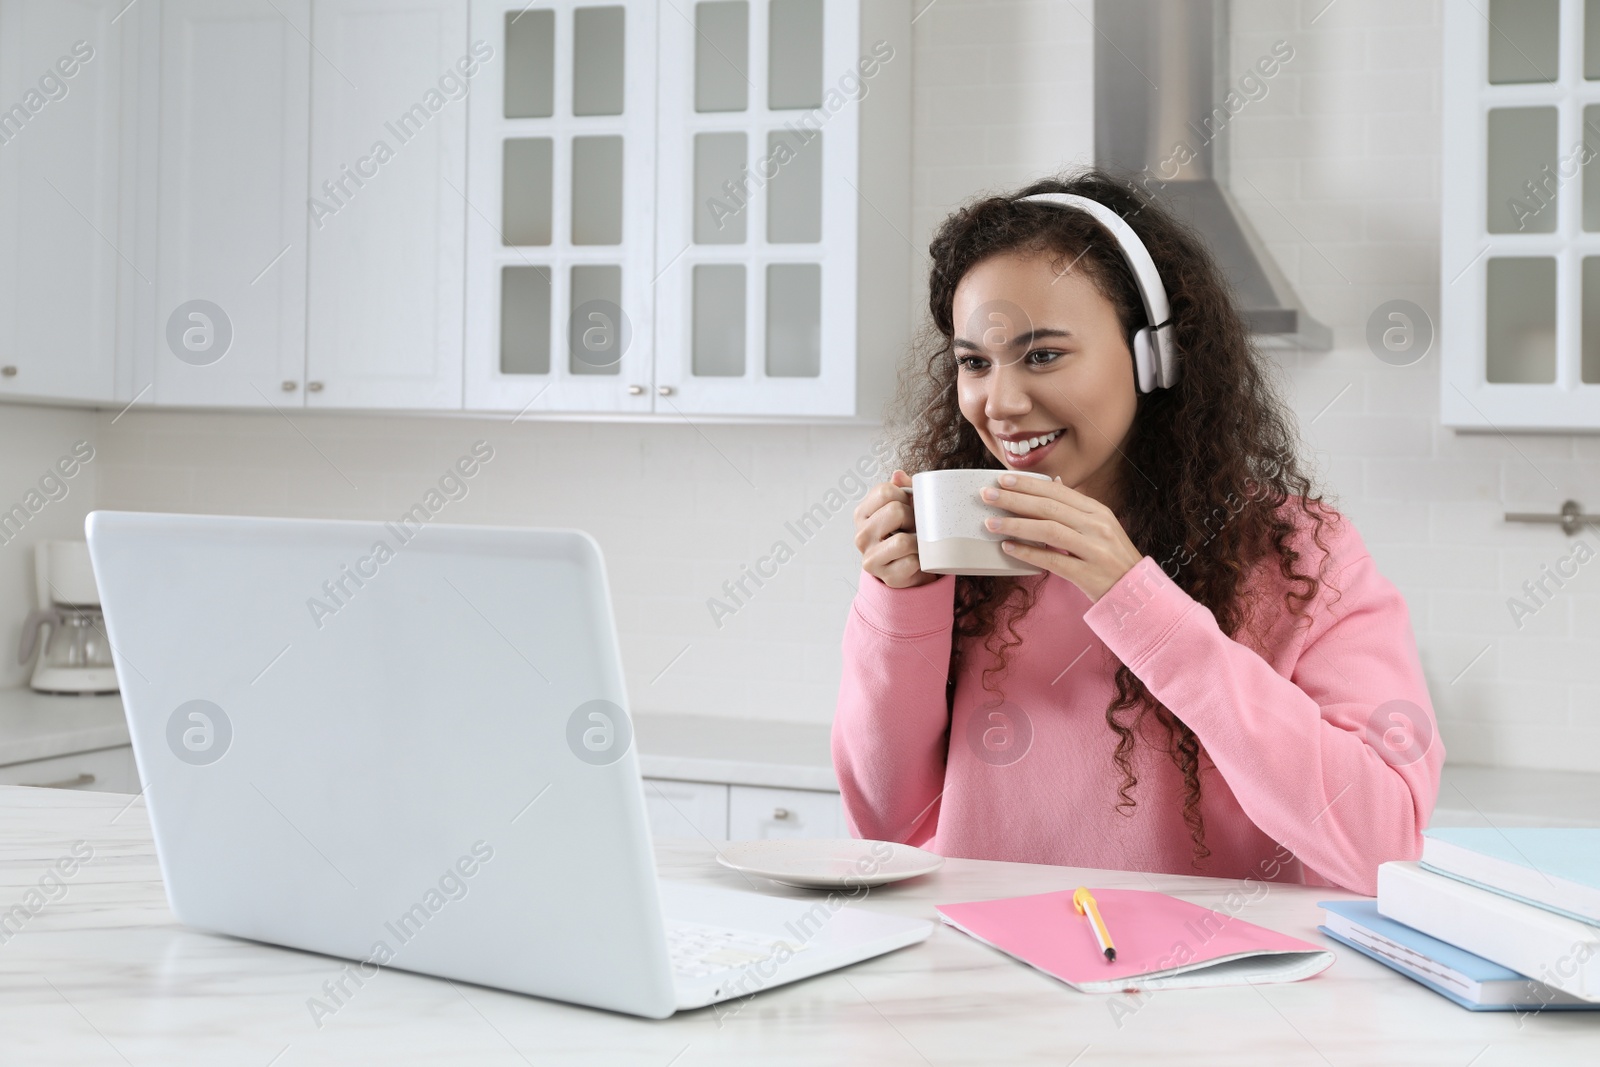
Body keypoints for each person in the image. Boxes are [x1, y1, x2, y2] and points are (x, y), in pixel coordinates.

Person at [835, 170, 1442, 895]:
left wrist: (1135, 597)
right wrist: (901, 604)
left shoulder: (1300, 554)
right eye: (974, 363)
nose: (1000, 402)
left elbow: (1382, 845)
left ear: (1154, 358)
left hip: (1213, 993)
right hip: (987, 982)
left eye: (1043, 354)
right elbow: (888, 827)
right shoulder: (962, 554)